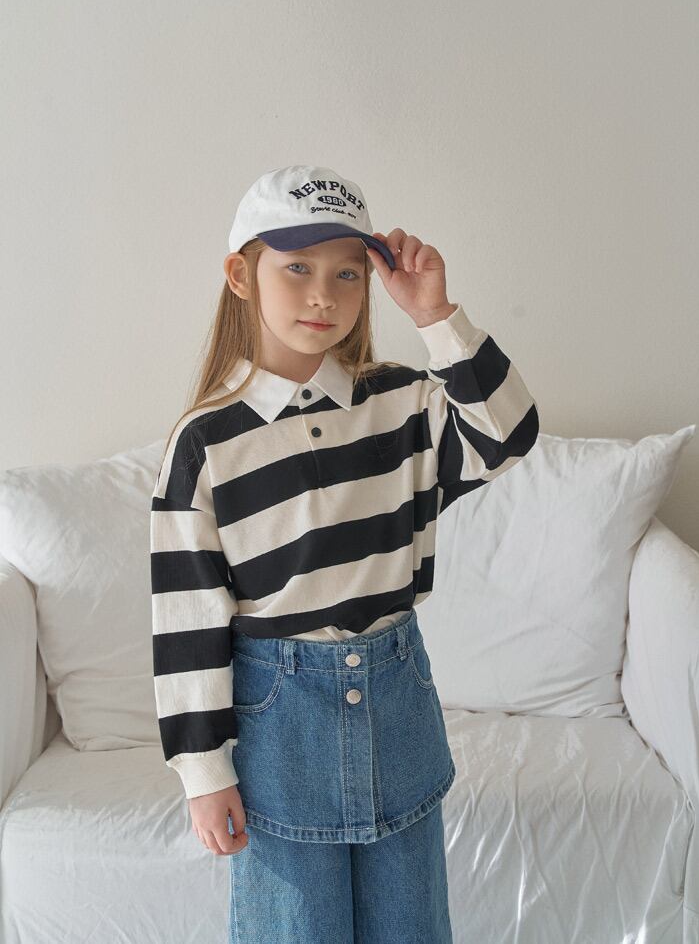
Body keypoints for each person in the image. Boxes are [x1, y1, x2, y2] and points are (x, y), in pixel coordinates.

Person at [150, 164, 540, 943]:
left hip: (399, 705)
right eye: (297, 268)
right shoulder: (206, 444)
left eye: (347, 273)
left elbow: (509, 433)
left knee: (411, 927)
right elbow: (187, 619)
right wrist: (204, 772)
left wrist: (435, 314)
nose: (323, 295)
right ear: (241, 276)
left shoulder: (401, 403)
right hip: (279, 725)